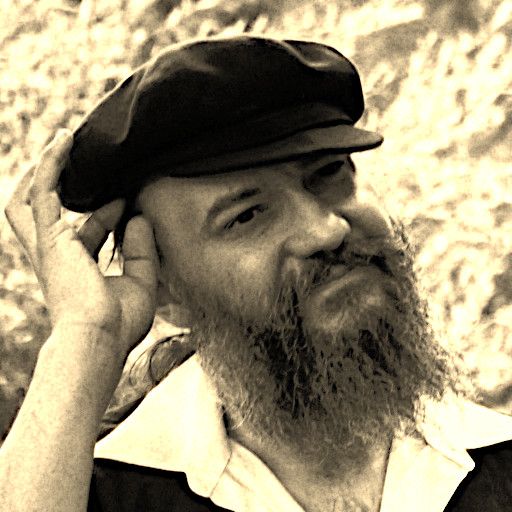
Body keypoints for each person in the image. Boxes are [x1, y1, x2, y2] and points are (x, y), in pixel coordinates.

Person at [1, 35, 512, 512]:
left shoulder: (499, 459)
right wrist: (84, 337)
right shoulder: (92, 492)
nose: (325, 230)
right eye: (247, 215)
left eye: (328, 174)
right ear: (166, 290)